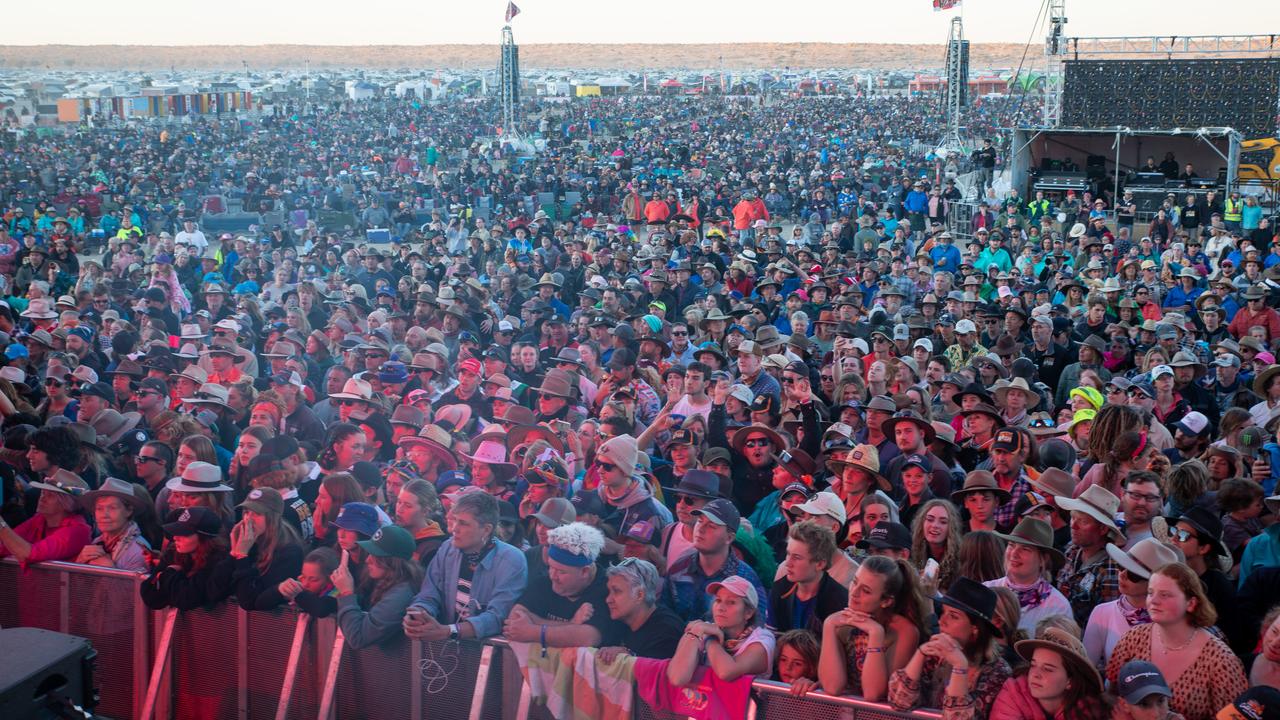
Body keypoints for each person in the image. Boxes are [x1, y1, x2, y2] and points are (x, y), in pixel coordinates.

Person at [1105, 563, 1247, 720]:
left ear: (1191, 603)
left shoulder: (1220, 660)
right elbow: (1111, 694)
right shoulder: (1132, 639)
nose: (1154, 601)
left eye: (1165, 595)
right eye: (1151, 593)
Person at [403, 490, 527, 641]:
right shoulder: (447, 548)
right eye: (455, 520)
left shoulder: (512, 560)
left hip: (487, 654)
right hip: (445, 649)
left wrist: (449, 631)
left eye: (463, 523)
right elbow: (429, 594)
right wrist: (418, 615)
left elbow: (498, 616)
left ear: (486, 530)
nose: (454, 528)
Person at [888, 578, 1013, 720]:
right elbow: (899, 702)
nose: (942, 621)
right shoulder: (936, 656)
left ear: (975, 629)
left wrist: (959, 665)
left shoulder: (998, 672)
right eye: (943, 612)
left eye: (953, 616)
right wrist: (921, 653)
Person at [818, 555, 927, 701]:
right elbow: (833, 687)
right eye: (854, 582)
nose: (854, 593)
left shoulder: (905, 631)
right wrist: (829, 625)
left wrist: (876, 633)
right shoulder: (837, 622)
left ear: (886, 601)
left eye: (866, 591)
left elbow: (874, 694)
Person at [504, 521, 625, 648]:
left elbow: (588, 637)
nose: (553, 576)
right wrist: (572, 624)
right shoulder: (544, 582)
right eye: (551, 567)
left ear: (585, 571)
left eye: (561, 572)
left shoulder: (608, 590)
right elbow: (514, 619)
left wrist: (532, 631)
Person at [1082, 537, 1181, 671]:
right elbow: (1087, 668)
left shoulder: (1172, 621)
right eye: (1121, 567)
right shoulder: (1102, 612)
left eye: (1134, 574)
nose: (1122, 575)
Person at [664, 498, 768, 623]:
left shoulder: (746, 578)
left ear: (729, 538)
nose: (701, 529)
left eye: (711, 526)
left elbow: (759, 628)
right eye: (700, 521)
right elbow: (665, 616)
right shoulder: (678, 568)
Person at [667, 575, 775, 685]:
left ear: (748, 613)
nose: (721, 608)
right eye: (718, 600)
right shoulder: (701, 629)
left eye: (731, 602)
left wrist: (711, 638)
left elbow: (726, 672)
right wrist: (694, 635)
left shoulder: (762, 640)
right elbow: (677, 679)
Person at [210, 487, 305, 611]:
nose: (248, 519)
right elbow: (214, 592)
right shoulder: (248, 543)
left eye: (256, 514)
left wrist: (242, 557)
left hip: (275, 626)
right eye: (246, 512)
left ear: (273, 518)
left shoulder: (290, 552)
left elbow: (248, 601)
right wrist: (234, 553)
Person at [330, 525, 422, 649]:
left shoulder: (401, 595)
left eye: (375, 555)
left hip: (398, 666)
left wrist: (346, 593)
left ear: (391, 561)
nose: (368, 560)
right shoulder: (385, 581)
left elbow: (358, 637)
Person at [990, 626, 1108, 720]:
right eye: (1033, 665)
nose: (1035, 674)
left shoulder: (1088, 709)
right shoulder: (1014, 692)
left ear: (1070, 681)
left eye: (1048, 669)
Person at [986, 517, 1072, 634]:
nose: (1014, 554)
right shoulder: (986, 591)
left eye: (1025, 549)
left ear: (1043, 560)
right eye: (1011, 545)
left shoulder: (1058, 607)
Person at [139, 507, 231, 610]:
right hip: (181, 625)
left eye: (184, 534)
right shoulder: (174, 552)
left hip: (214, 625)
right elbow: (150, 597)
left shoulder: (218, 560)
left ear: (204, 538)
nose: (175, 538)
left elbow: (186, 599)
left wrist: (168, 574)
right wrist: (173, 579)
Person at [767, 520, 848, 635]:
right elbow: (771, 636)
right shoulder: (779, 589)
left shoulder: (840, 602)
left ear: (820, 564)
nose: (787, 563)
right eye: (788, 554)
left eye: (797, 557)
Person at [597, 557, 684, 661]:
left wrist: (629, 656)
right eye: (609, 591)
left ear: (639, 595)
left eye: (616, 591)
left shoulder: (667, 632)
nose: (608, 599)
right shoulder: (619, 619)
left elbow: (658, 674)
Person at [0, 469, 91, 564]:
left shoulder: (77, 531)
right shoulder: (40, 519)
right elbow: (4, 546)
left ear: (66, 503)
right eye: (43, 493)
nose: (42, 498)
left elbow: (29, 555)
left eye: (50, 495)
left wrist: (1, 524)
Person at [75, 476, 153, 572]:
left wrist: (110, 570)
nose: (104, 515)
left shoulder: (139, 551)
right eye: (99, 508)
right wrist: (79, 562)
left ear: (129, 511)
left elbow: (135, 587)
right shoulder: (98, 541)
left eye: (112, 508)